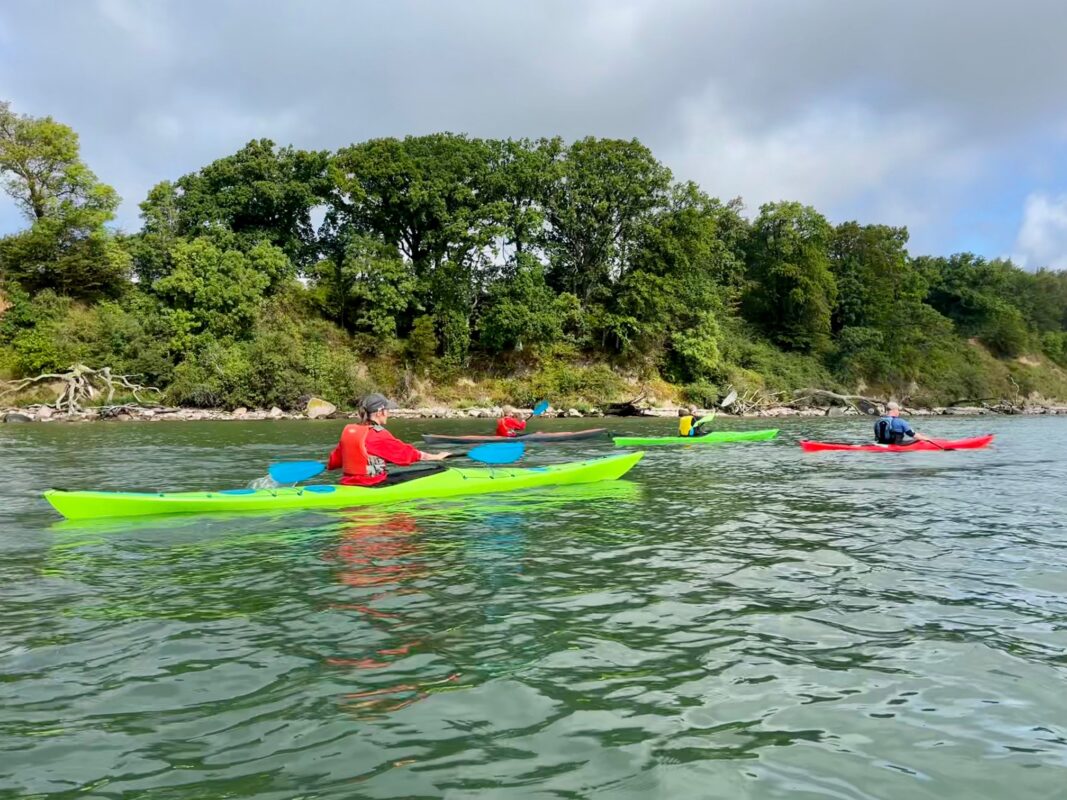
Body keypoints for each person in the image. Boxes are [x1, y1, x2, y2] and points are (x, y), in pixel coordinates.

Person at [326, 394, 451, 487]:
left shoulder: (350, 431)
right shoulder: (378, 434)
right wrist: (436, 457)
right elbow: (405, 454)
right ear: (379, 412)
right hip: (372, 484)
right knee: (438, 470)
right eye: (387, 410)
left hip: (348, 483)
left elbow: (334, 461)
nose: (388, 414)